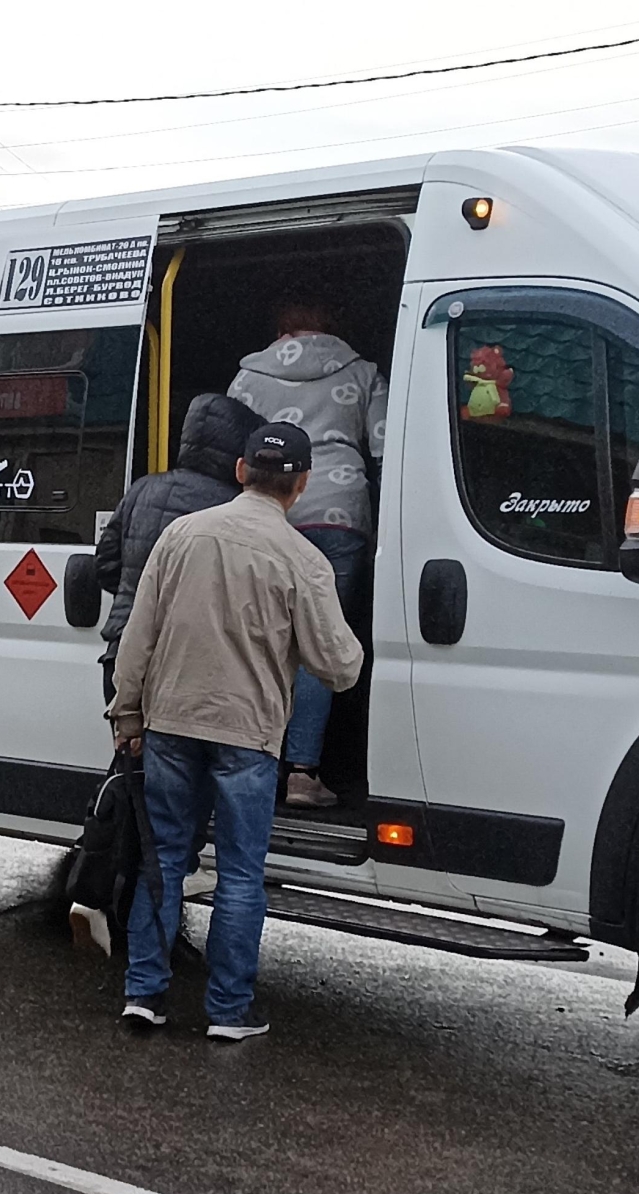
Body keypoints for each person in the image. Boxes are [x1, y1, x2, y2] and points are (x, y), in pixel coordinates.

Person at [107, 422, 364, 1040]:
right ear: (300, 485)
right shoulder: (305, 560)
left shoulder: (181, 536)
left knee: (166, 857)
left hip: (170, 723)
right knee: (242, 874)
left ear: (241, 471)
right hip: (248, 736)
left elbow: (137, 637)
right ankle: (227, 1012)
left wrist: (128, 713)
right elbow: (339, 668)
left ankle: (143, 995)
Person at [226, 303, 387, 808]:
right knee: (322, 643)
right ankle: (302, 771)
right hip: (339, 515)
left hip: (268, 513)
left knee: (262, 639)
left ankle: (255, 764)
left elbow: (230, 447)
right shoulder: (362, 372)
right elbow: (385, 448)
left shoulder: (249, 376)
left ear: (281, 331)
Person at [93, 393, 262, 702]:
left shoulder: (142, 489)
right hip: (195, 667)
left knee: (127, 747)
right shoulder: (237, 507)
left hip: (123, 653)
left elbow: (105, 567)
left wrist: (137, 594)